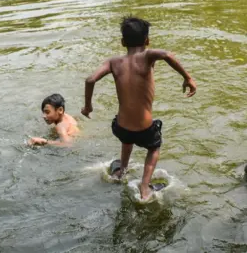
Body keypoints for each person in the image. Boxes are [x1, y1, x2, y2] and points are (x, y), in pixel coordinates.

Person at [81, 16, 197, 200]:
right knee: (154, 148)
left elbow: (90, 80)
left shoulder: (113, 62)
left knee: (127, 139)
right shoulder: (148, 56)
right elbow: (167, 55)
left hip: (121, 127)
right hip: (144, 129)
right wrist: (188, 78)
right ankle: (144, 186)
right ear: (147, 41)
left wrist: (88, 106)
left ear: (122, 42)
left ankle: (121, 171)